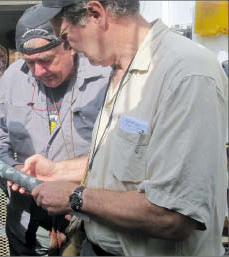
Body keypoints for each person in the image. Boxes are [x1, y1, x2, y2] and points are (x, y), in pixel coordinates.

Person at [20, 0, 229, 255]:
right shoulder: (121, 69)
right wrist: (59, 170)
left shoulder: (187, 73)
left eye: (64, 35)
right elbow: (125, 161)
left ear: (96, 14)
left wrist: (75, 198)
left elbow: (173, 216)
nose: (67, 47)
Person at [0, 4, 111, 256]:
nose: (38, 72)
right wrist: (14, 171)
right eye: (30, 63)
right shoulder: (12, 78)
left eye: (46, 60)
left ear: (70, 46)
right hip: (27, 223)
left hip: (86, 222)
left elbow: (118, 156)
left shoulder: (104, 76)